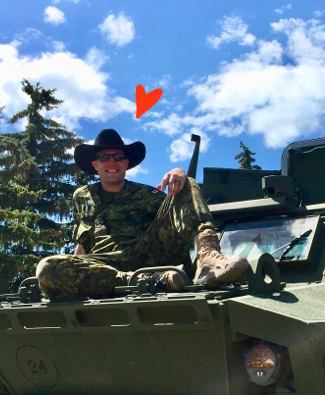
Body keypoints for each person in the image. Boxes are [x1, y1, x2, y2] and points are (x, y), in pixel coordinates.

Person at [36, 129, 249, 301]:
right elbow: (83, 243)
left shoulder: (147, 194)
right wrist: (72, 268)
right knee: (47, 268)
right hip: (106, 268)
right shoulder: (81, 196)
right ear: (95, 164)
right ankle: (146, 280)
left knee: (185, 183)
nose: (112, 162)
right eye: (104, 157)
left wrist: (179, 174)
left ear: (126, 163)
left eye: (119, 157)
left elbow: (175, 208)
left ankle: (208, 258)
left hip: (146, 253)